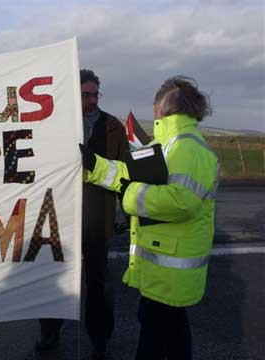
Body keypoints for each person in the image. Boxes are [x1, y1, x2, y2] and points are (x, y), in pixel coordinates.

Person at [82, 76, 219, 360]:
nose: (153, 109)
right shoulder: (166, 143)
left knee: (154, 338)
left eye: (155, 104)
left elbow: (181, 202)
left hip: (171, 270)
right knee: (173, 332)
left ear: (164, 108)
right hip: (164, 267)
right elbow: (128, 172)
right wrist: (93, 165)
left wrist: (130, 194)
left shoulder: (188, 148)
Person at [36, 69, 128, 359]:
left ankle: (100, 339)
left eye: (94, 94)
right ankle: (50, 333)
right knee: (57, 280)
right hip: (60, 217)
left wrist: (123, 211)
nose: (91, 100)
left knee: (99, 283)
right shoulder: (55, 125)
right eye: (85, 95)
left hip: (98, 218)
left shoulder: (113, 126)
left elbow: (125, 171)